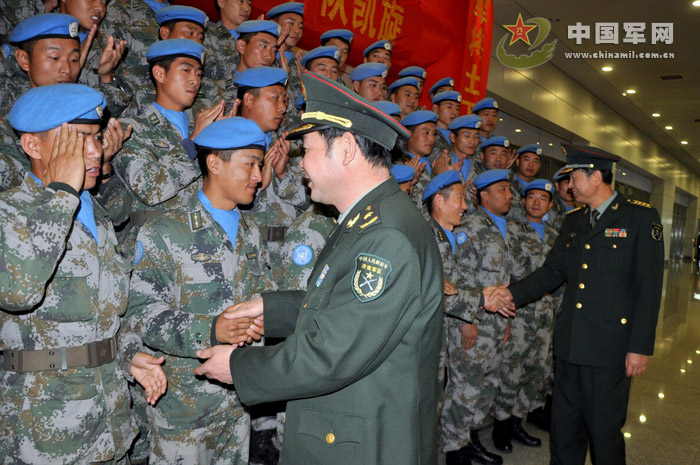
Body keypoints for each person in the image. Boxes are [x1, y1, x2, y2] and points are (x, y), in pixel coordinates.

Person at [193, 71, 445, 465]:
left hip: (365, 443)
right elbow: (341, 305)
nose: (300, 165)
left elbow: (331, 353)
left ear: (345, 149)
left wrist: (240, 367)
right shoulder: (369, 219)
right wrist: (270, 307)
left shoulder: (386, 236)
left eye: (307, 149)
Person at [0, 83, 165, 465]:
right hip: (42, 436)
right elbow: (18, 291)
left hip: (110, 426)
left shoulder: (100, 218)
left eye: (95, 138)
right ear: (33, 146)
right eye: (77, 140)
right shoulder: (10, 213)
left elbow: (106, 318)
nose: (94, 152)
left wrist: (128, 356)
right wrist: (60, 192)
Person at [488, 144, 664, 465]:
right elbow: (551, 272)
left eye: (574, 178)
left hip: (610, 348)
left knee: (603, 430)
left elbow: (649, 288)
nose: (569, 186)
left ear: (596, 177)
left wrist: (640, 347)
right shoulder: (574, 220)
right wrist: (509, 294)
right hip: (570, 344)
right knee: (565, 428)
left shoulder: (639, 217)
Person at [127, 117, 271, 465]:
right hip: (183, 415)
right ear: (214, 163)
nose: (258, 176)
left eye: (261, 165)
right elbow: (142, 314)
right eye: (250, 164)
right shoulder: (165, 232)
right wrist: (211, 330)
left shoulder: (253, 232)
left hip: (238, 406)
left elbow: (265, 298)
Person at [441, 169, 514, 465]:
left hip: (494, 320)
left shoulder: (501, 226)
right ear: (483, 195)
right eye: (502, 191)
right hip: (474, 320)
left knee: (483, 386)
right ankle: (454, 450)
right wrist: (467, 321)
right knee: (465, 388)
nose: (509, 196)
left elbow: (502, 278)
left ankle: (468, 440)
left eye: (509, 190)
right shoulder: (470, 227)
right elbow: (460, 279)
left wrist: (506, 320)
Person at [490, 179, 558, 453]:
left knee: (536, 369)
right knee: (511, 368)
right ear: (523, 201)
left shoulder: (556, 236)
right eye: (532, 197)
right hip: (519, 310)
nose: (537, 202)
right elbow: (512, 268)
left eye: (543, 198)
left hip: (545, 313)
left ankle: (518, 421)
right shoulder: (513, 231)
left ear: (551, 205)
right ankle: (502, 426)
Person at [400, 110, 439, 209]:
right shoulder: (400, 167)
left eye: (434, 134)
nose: (432, 139)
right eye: (426, 133)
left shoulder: (437, 164)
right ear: (409, 134)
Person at [204, 0, 251, 81]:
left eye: (249, 4)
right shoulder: (206, 37)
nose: (246, 8)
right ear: (222, 2)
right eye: (241, 1)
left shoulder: (252, 39)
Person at [508, 144, 543, 222]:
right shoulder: (506, 183)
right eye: (527, 160)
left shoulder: (540, 189)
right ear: (517, 162)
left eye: (535, 161)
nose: (531, 165)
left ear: (539, 166)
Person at [431, 90, 462, 161]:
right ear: (435, 109)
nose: (454, 112)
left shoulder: (460, 136)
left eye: (457, 109)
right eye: (449, 107)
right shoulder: (429, 133)